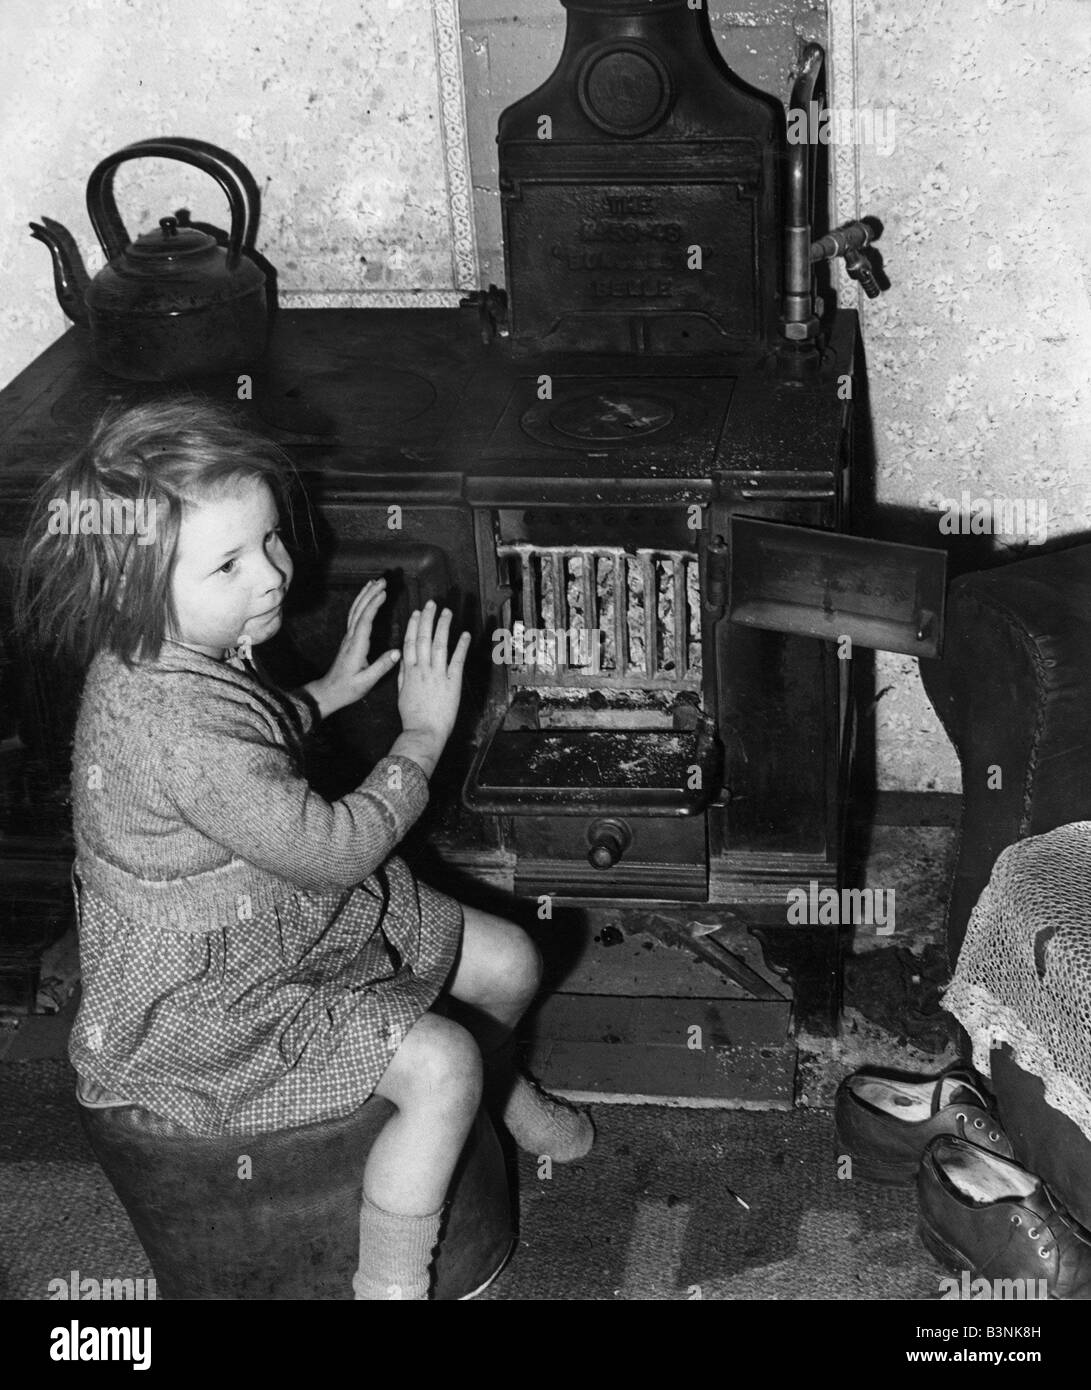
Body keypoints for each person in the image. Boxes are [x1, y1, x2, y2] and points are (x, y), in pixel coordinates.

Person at [16, 399, 593, 1300]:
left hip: (281, 922)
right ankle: (390, 1283)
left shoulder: (166, 654)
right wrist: (424, 737)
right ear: (131, 588)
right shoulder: (170, 729)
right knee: (440, 1066)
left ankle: (502, 1087)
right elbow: (331, 851)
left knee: (508, 957)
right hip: (214, 1003)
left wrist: (320, 693)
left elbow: (244, 743)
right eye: (229, 563)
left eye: (271, 540)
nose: (273, 575)